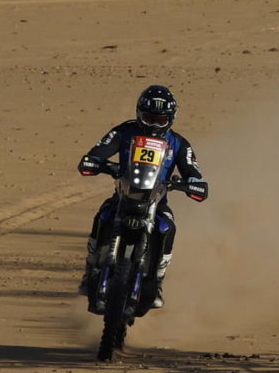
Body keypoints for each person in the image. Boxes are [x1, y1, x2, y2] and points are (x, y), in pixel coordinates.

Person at [77, 84, 207, 313]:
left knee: (168, 227)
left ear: (170, 118)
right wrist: (97, 162)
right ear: (139, 114)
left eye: (160, 119)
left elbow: (193, 171)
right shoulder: (123, 131)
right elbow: (98, 151)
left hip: (157, 203)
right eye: (149, 118)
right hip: (124, 197)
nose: (154, 124)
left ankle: (157, 281)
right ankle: (91, 270)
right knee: (103, 216)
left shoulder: (179, 144)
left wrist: (192, 183)